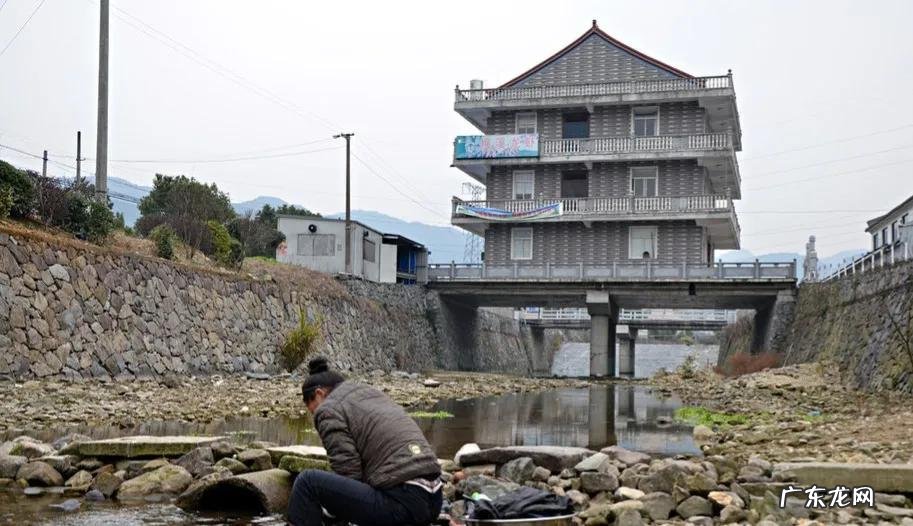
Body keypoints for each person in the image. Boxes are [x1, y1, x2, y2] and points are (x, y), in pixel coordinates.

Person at [288, 357, 443, 526]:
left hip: (403, 503)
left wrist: (330, 512)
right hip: (434, 499)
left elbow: (348, 472)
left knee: (307, 483)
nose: (314, 414)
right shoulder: (368, 393)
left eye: (312, 408)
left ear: (319, 394)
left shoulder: (328, 408)